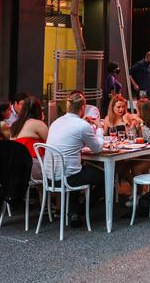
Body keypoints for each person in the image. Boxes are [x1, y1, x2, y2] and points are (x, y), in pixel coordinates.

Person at [44, 92, 104, 228]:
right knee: (106, 178)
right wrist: (99, 127)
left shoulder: (56, 122)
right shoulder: (82, 126)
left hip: (50, 176)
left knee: (78, 168)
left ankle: (73, 212)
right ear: (83, 107)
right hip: (68, 177)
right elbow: (98, 148)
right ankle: (80, 210)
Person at [10, 96, 48, 180]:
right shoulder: (38, 124)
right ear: (39, 110)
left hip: (13, 168)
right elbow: (51, 143)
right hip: (30, 169)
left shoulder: (15, 125)